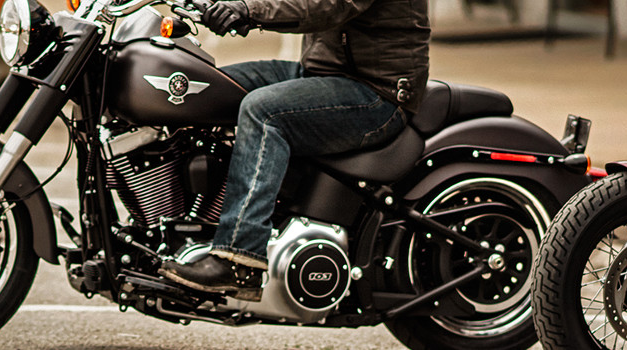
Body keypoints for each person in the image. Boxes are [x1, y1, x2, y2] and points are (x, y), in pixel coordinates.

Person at [158, 0, 430, 300]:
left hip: (376, 92)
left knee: (263, 112)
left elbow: (327, 5)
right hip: (322, 72)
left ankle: (239, 259)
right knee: (207, 87)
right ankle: (190, 228)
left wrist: (248, 9)